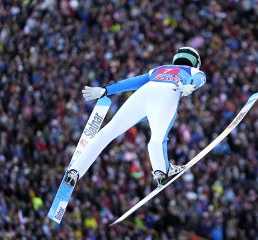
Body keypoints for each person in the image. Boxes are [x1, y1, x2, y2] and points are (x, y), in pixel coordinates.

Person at [66, 46, 206, 188]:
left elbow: (133, 82)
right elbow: (200, 78)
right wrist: (191, 84)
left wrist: (105, 90)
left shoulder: (159, 69)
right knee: (157, 138)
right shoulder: (192, 70)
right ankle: (161, 171)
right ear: (195, 62)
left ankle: (74, 170)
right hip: (169, 92)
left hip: (144, 92)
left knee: (108, 132)